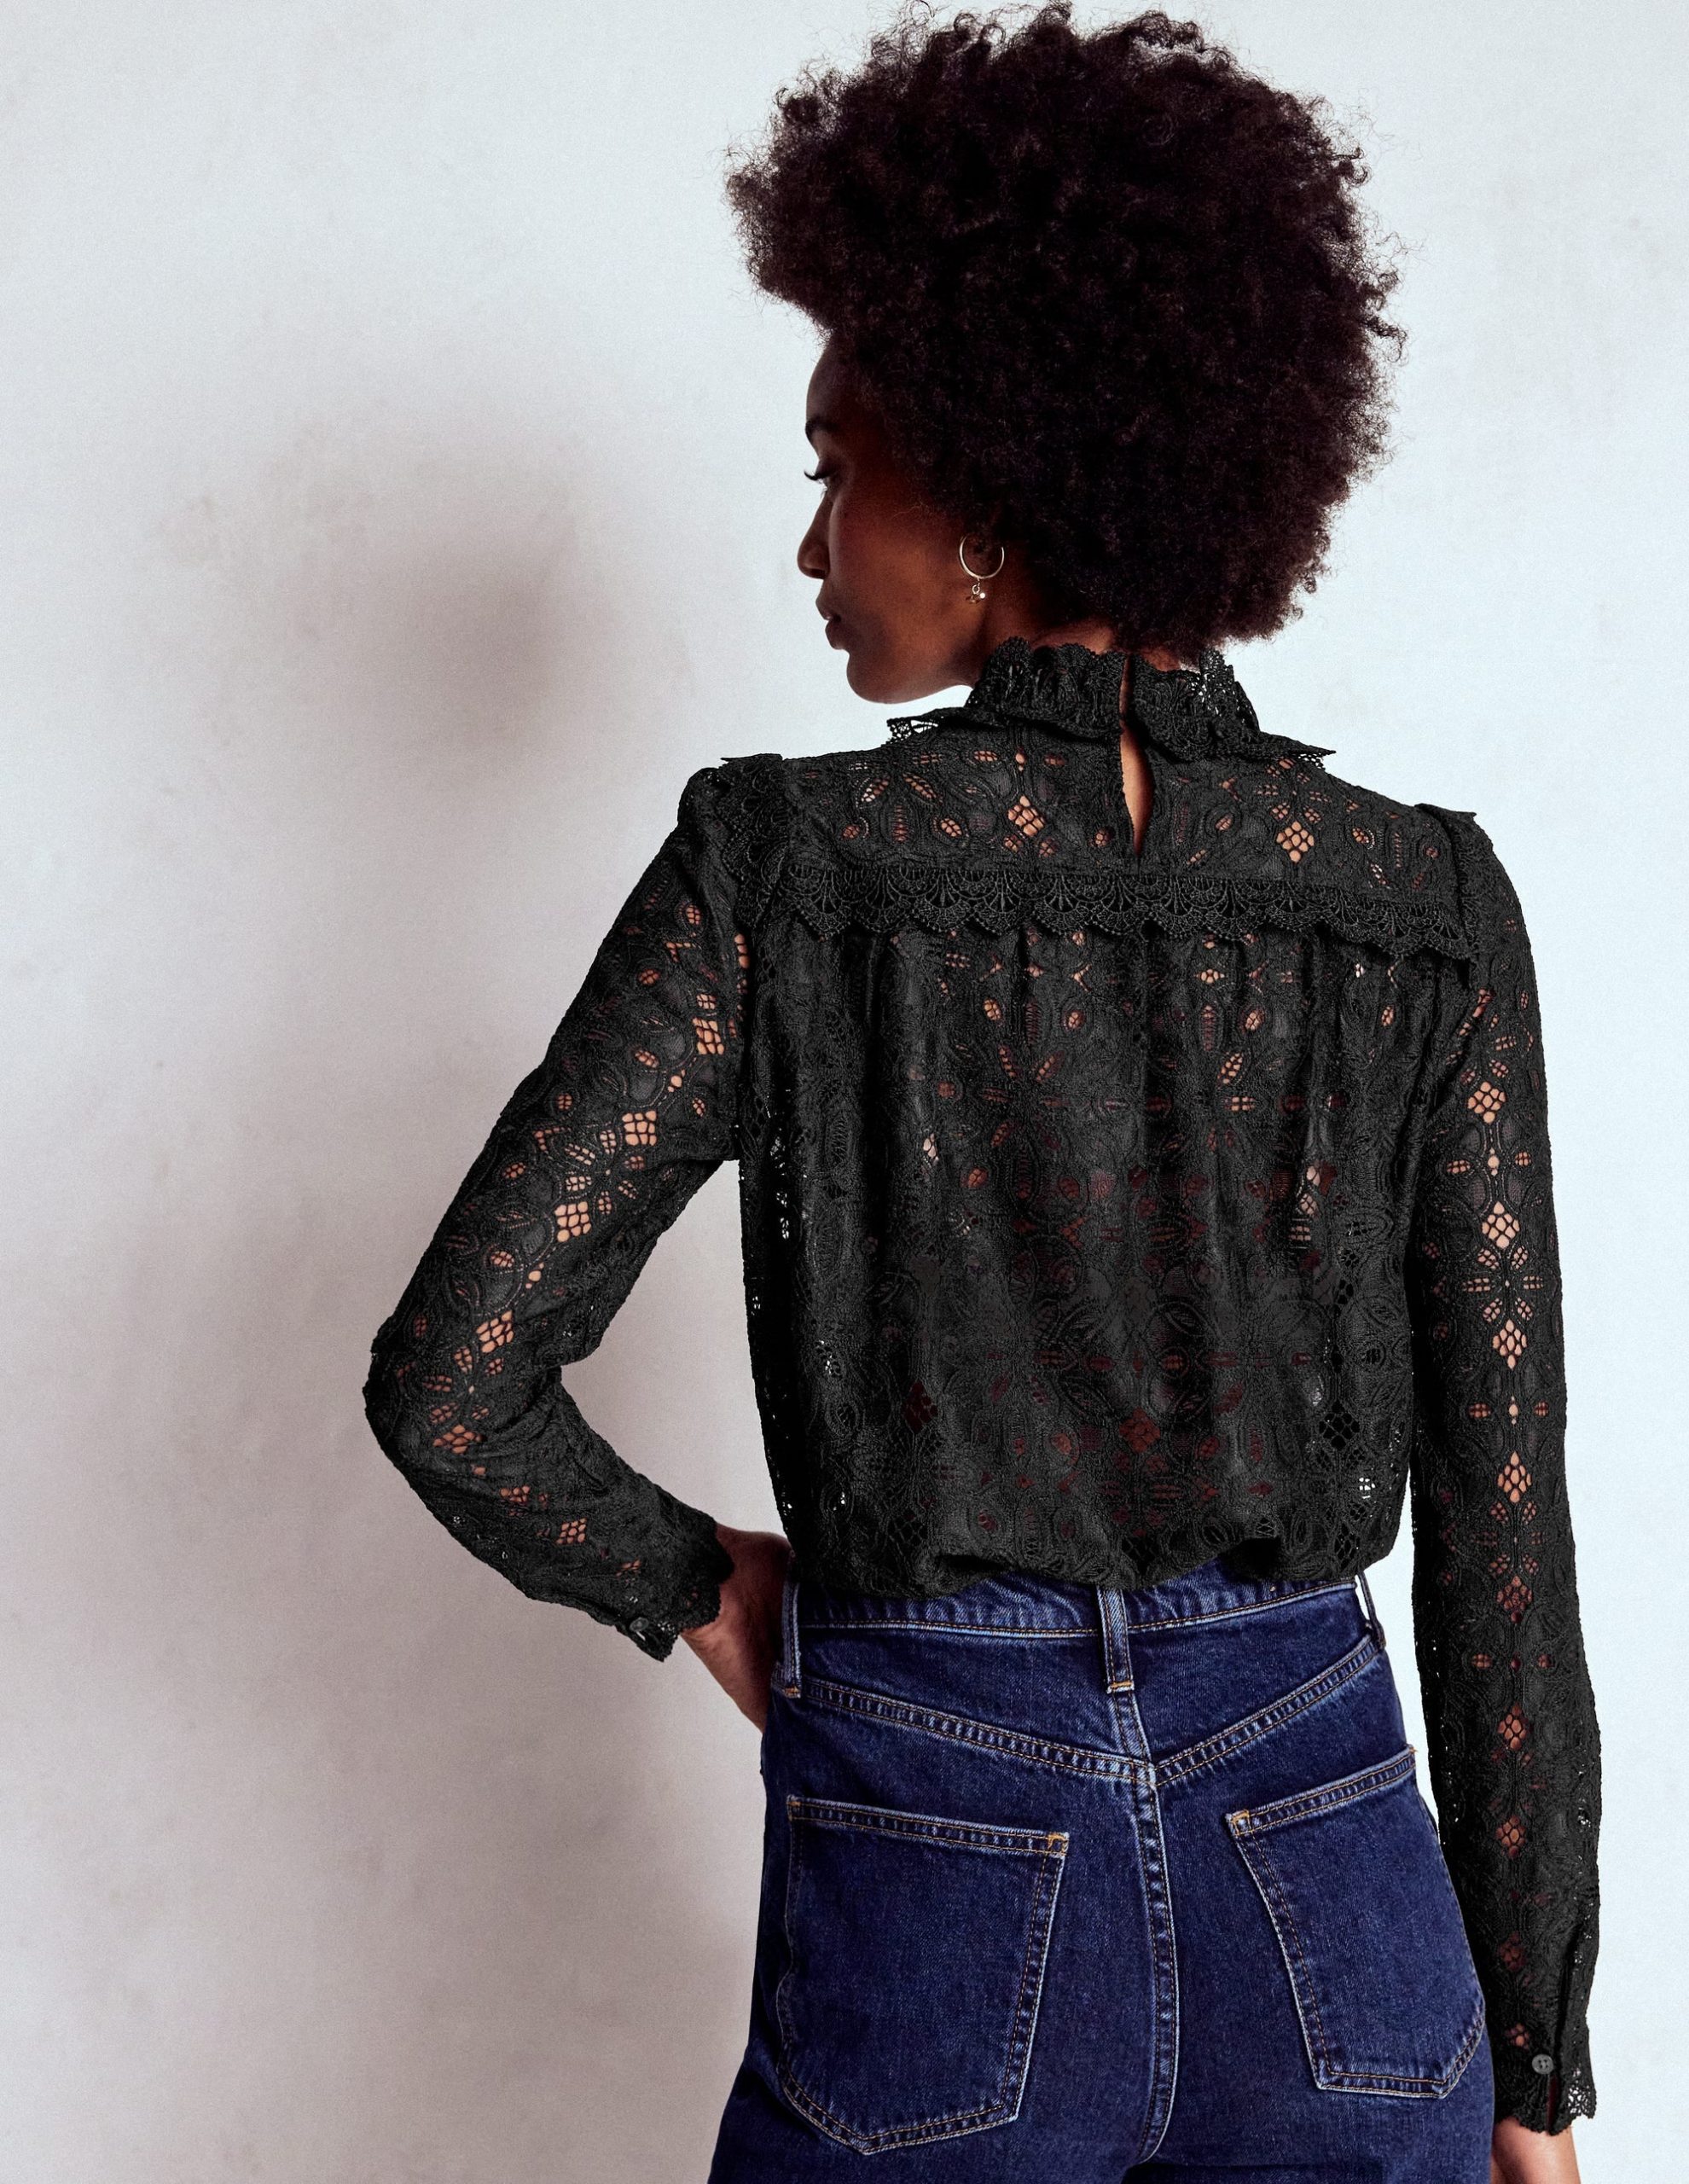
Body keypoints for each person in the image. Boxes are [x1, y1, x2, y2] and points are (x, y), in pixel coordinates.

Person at [361, 8, 1600, 2179]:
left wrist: (699, 1580)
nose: (814, 544)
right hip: (1338, 1878)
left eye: (837, 468)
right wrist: (1531, 2061)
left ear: (996, 484)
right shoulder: (1421, 906)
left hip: (938, 1836)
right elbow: (1504, 1534)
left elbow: (456, 1378)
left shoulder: (784, 868)